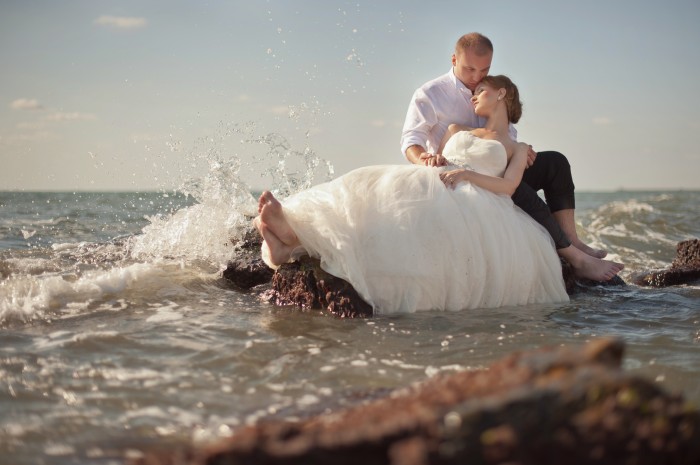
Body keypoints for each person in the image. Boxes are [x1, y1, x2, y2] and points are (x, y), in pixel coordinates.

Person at [254, 75, 570, 314]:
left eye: (481, 91)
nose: (473, 97)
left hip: (483, 198)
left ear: (501, 93)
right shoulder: (456, 130)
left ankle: (291, 242)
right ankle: (292, 235)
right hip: (440, 179)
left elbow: (509, 187)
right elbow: (438, 155)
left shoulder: (518, 147)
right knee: (366, 189)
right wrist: (435, 160)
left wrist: (468, 175)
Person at [401, 32, 623, 282]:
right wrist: (426, 160)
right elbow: (411, 141)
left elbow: (505, 136)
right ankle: (575, 258)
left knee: (554, 162)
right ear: (454, 59)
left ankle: (570, 239)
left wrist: (520, 153)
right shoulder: (431, 93)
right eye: (469, 69)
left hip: (495, 167)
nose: (476, 78)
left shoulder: (493, 90)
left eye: (483, 71)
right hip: (455, 168)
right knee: (518, 190)